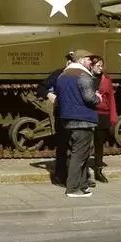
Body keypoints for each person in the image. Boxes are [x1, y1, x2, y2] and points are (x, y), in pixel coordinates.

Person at [55, 49, 100, 198]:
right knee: (79, 155)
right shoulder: (83, 76)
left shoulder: (62, 75)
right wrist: (98, 97)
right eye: (89, 60)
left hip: (67, 119)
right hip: (83, 120)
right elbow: (90, 98)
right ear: (80, 60)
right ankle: (73, 188)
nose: (91, 62)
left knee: (79, 154)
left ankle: (82, 185)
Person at [38, 51, 75, 186]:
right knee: (62, 147)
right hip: (61, 115)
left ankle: (77, 177)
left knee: (77, 148)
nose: (69, 62)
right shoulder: (59, 74)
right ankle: (60, 176)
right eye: (68, 60)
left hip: (77, 116)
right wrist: (49, 94)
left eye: (73, 60)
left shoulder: (82, 75)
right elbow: (41, 87)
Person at [90, 56, 117, 184]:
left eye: (101, 66)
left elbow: (111, 98)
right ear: (92, 65)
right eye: (98, 66)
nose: (100, 68)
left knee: (99, 143)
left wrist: (113, 116)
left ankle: (98, 169)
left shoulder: (106, 79)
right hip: (90, 113)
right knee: (87, 143)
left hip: (103, 115)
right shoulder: (86, 78)